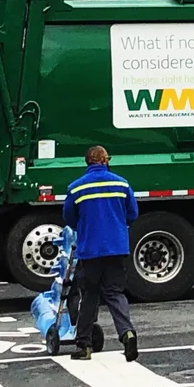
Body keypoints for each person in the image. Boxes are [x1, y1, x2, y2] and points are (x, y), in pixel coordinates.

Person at [62, 145, 139, 361]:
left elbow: (69, 218)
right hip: (116, 249)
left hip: (90, 251)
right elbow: (132, 214)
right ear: (105, 160)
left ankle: (84, 347)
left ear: (87, 162)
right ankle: (127, 334)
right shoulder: (121, 183)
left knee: (89, 296)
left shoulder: (76, 188)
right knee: (115, 293)